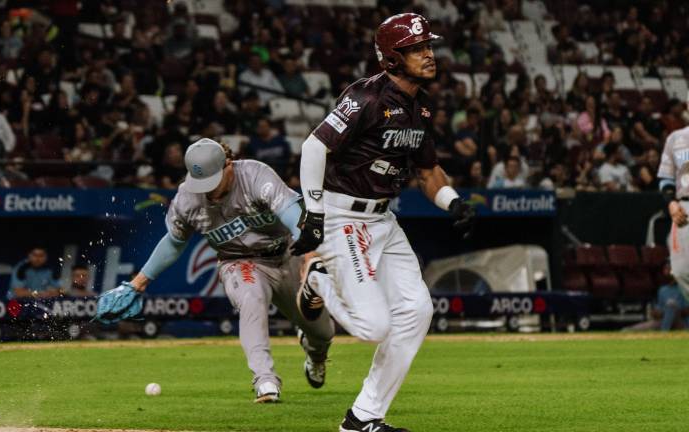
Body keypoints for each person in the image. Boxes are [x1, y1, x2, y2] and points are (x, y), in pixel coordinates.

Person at [293, 14, 474, 432]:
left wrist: (453, 202)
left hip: (383, 219)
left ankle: (362, 418)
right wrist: (314, 213)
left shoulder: (420, 105)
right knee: (375, 327)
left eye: (428, 46)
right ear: (392, 57)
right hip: (342, 215)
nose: (428, 54)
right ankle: (317, 279)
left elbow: (428, 172)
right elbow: (313, 147)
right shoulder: (367, 97)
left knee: (418, 310)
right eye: (416, 48)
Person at [118, 138, 334, 403]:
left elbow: (292, 214)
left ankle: (315, 355)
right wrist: (138, 282)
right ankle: (265, 380)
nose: (207, 190)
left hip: (288, 253)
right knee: (251, 301)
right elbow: (174, 243)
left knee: (323, 332)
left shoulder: (255, 175)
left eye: (212, 180)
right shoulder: (188, 198)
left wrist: (310, 256)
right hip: (239, 261)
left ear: (228, 166)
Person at [658, 125, 689, 301]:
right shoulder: (675, 138)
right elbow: (666, 178)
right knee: (680, 271)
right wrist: (671, 203)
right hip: (684, 208)